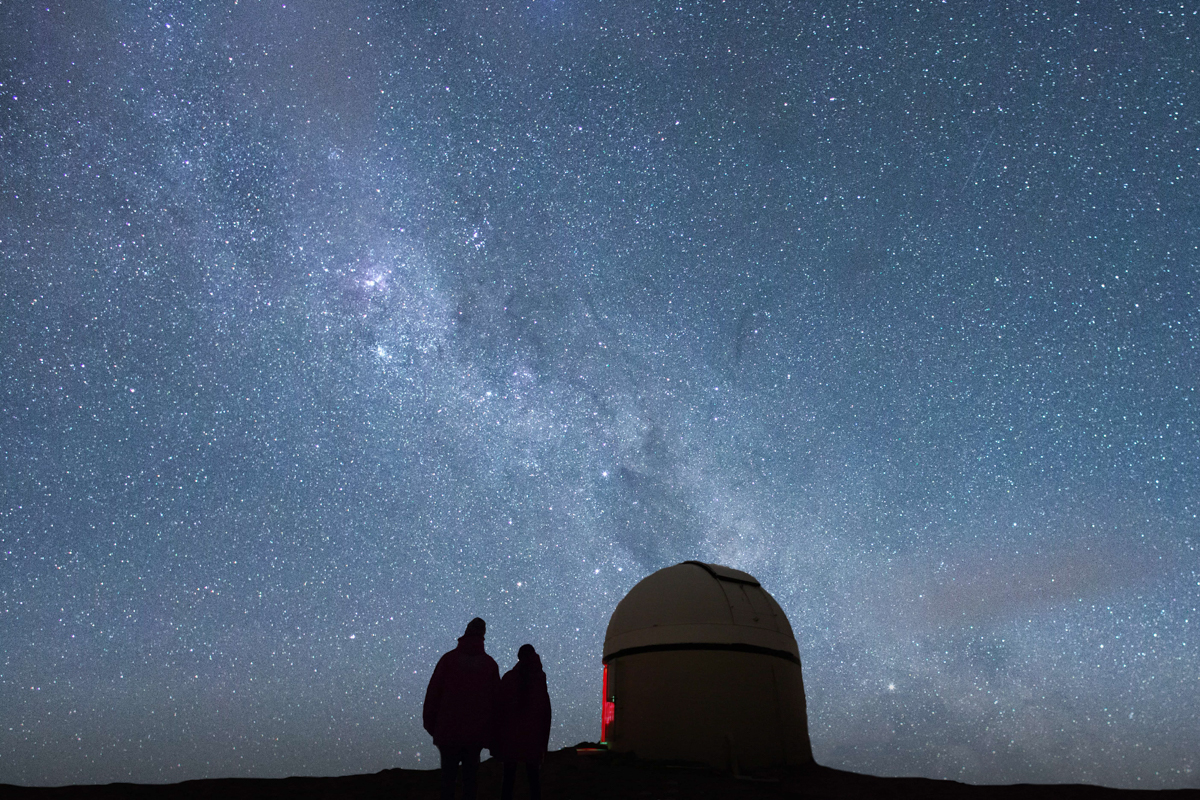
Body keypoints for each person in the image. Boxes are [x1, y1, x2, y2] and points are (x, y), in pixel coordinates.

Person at [423, 617, 501, 800]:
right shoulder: (489, 664)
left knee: (447, 781)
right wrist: (492, 733)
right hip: (475, 734)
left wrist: (431, 724)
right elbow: (496, 702)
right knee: (470, 782)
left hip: (447, 731)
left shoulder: (448, 660)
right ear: (483, 635)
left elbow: (434, 693)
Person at [496, 644, 552, 800]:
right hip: (532, 737)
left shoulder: (509, 678)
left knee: (508, 778)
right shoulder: (539, 679)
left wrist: (498, 740)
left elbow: (500, 709)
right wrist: (543, 743)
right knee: (534, 779)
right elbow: (545, 712)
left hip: (511, 737)